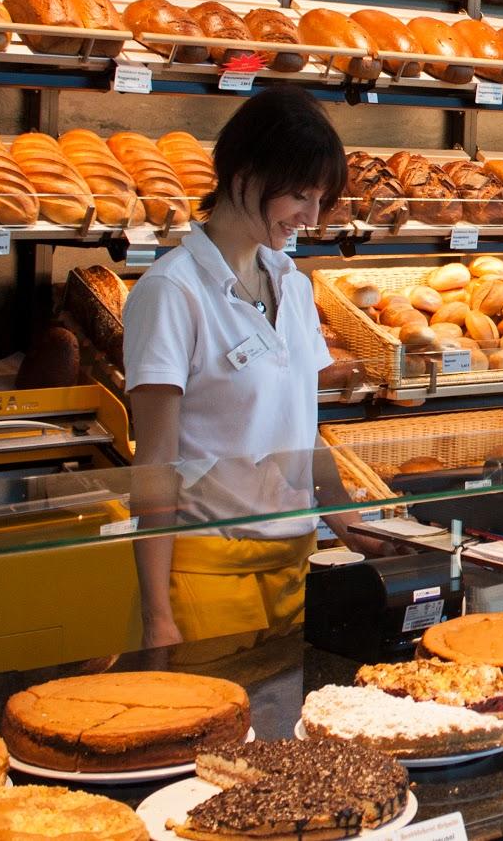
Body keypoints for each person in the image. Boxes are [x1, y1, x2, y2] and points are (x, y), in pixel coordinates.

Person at [123, 86, 373, 650]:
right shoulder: (172, 291)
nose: (311, 217)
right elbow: (155, 461)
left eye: (321, 199)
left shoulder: (293, 284)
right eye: (301, 196)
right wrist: (156, 612)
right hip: (208, 575)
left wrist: (352, 529)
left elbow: (301, 431)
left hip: (296, 563)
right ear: (246, 174)